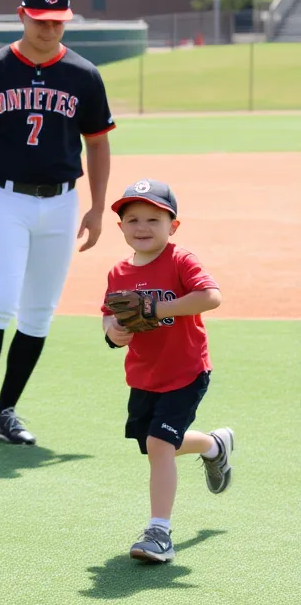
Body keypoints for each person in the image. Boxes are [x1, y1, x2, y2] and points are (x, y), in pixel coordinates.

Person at [0, 0, 115, 453]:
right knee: (0, 303)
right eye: (41, 20)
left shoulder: (83, 74)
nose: (49, 29)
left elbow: (98, 144)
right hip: (3, 198)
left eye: (58, 21)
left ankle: (5, 411)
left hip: (62, 202)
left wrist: (97, 208)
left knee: (39, 314)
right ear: (22, 15)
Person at [102, 180, 233, 563]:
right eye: (132, 219)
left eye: (153, 219)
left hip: (186, 371)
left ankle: (159, 532)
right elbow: (109, 317)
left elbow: (211, 296)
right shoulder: (118, 272)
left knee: (160, 445)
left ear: (172, 226)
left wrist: (156, 309)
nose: (142, 227)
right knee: (160, 445)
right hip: (144, 375)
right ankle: (213, 445)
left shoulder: (179, 260)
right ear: (122, 227)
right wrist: (116, 332)